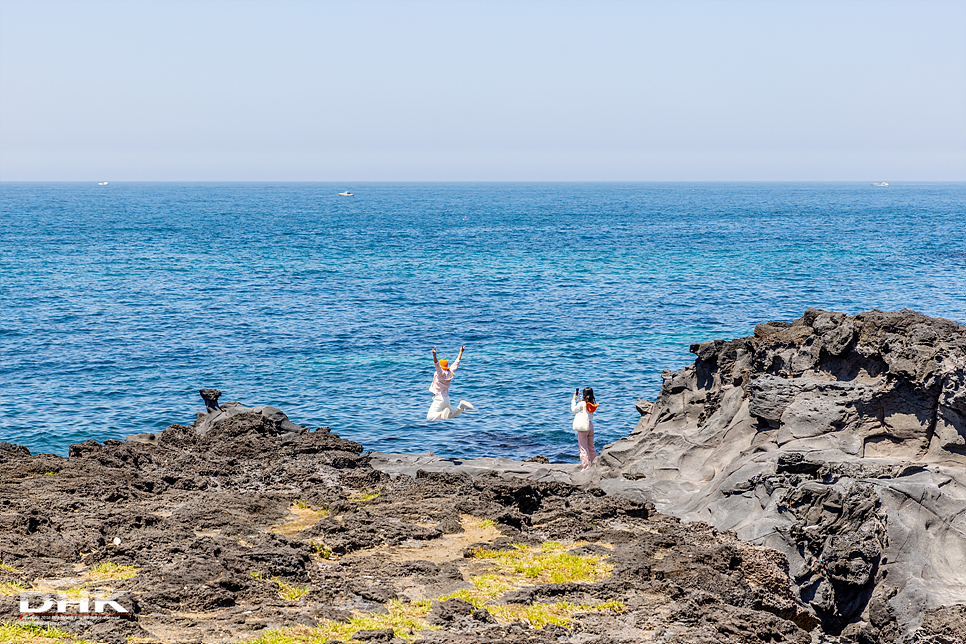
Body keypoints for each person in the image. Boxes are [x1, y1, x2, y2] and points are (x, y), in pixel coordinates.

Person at [427, 345, 474, 421]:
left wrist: (434, 355)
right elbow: (456, 363)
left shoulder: (440, 374)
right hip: (446, 398)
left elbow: (436, 364)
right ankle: (461, 407)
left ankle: (441, 414)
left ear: (441, 366)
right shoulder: (450, 372)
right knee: (450, 415)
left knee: (429, 417)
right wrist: (461, 352)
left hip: (439, 398)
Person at [571, 387, 598, 469]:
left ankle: (586, 467)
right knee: (591, 446)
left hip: (583, 427)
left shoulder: (581, 404)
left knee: (583, 448)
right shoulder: (592, 403)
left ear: (583, 395)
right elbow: (585, 408)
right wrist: (580, 401)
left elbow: (574, 410)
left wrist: (573, 400)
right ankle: (595, 464)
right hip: (590, 425)